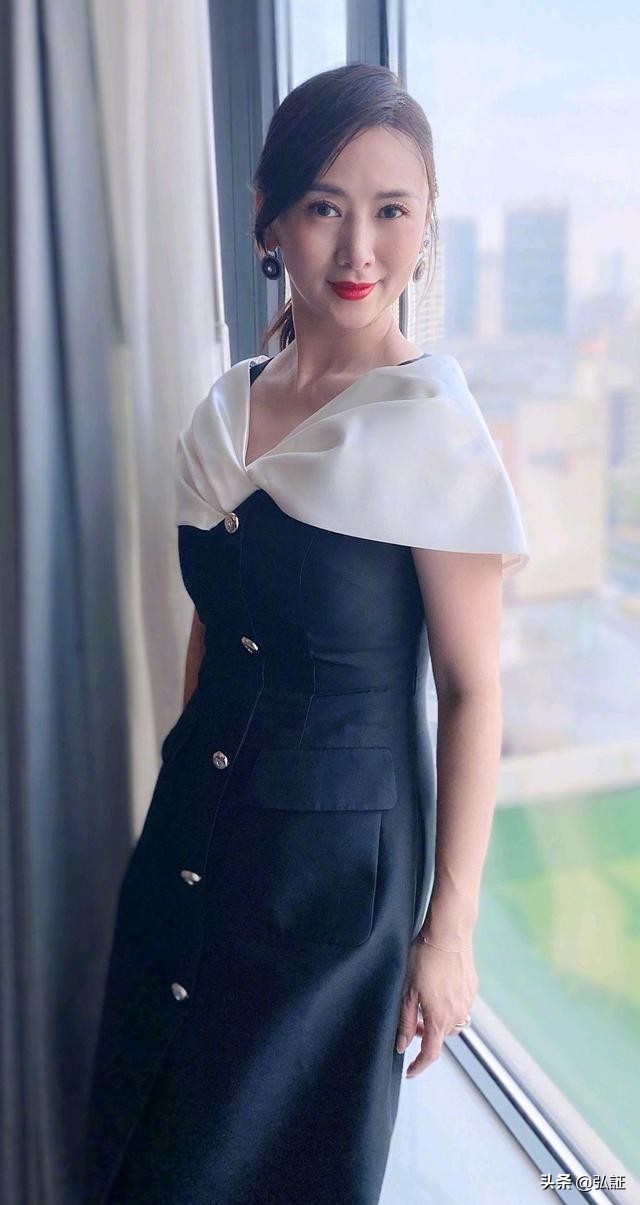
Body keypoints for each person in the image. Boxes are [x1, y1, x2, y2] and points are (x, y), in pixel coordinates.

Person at [82, 62, 529, 1205]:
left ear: (426, 225)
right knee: (138, 1148)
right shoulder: (225, 410)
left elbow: (471, 690)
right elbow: (211, 627)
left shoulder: (430, 425)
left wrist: (448, 930)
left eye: (393, 210)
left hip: (332, 902)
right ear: (268, 216)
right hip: (191, 848)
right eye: (326, 206)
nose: (359, 250)